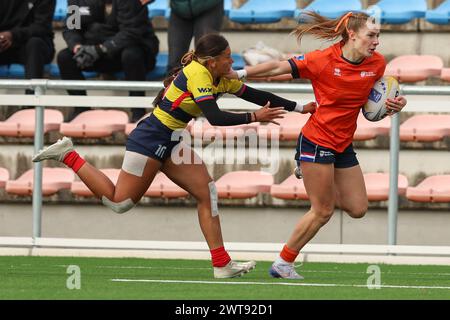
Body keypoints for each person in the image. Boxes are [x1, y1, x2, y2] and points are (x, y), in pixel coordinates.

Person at [32, 33, 316, 279]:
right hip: (151, 137)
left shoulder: (219, 75)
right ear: (211, 61)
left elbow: (255, 94)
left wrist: (301, 107)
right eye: (228, 57)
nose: (234, 62)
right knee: (120, 203)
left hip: (173, 139)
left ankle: (221, 264)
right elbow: (215, 117)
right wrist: (255, 117)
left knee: (207, 192)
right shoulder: (197, 73)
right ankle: (68, 154)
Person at [228, 12, 408, 279]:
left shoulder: (377, 64)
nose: (377, 41)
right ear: (352, 35)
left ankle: (313, 172)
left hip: (343, 143)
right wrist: (239, 73)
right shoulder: (322, 60)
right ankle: (283, 263)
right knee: (323, 210)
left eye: (378, 35)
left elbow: (374, 103)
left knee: (358, 209)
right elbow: (278, 67)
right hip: (318, 138)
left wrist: (396, 105)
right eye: (372, 35)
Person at [58, 0, 159, 122]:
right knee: (65, 57)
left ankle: (137, 111)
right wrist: (77, 47)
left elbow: (131, 32)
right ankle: (81, 109)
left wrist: (102, 49)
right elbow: (71, 28)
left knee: (132, 55)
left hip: (130, 49)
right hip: (94, 51)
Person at [0, 0, 55, 94]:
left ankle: (31, 103)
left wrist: (12, 35)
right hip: (3, 45)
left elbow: (42, 27)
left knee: (34, 44)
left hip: (33, 45)